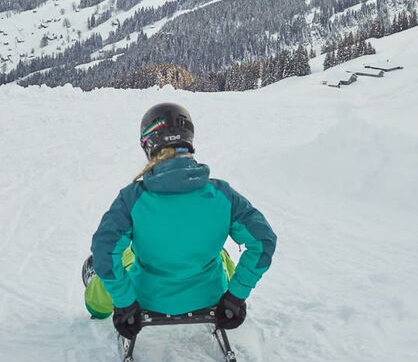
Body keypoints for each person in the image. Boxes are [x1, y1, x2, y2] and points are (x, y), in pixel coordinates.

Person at [82, 102, 276, 336]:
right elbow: (263, 241)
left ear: (149, 145)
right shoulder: (223, 195)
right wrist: (236, 296)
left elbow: (104, 250)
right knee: (222, 255)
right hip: (209, 295)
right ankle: (222, 287)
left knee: (119, 260)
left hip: (146, 297)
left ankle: (97, 303)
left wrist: (124, 304)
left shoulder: (132, 199)